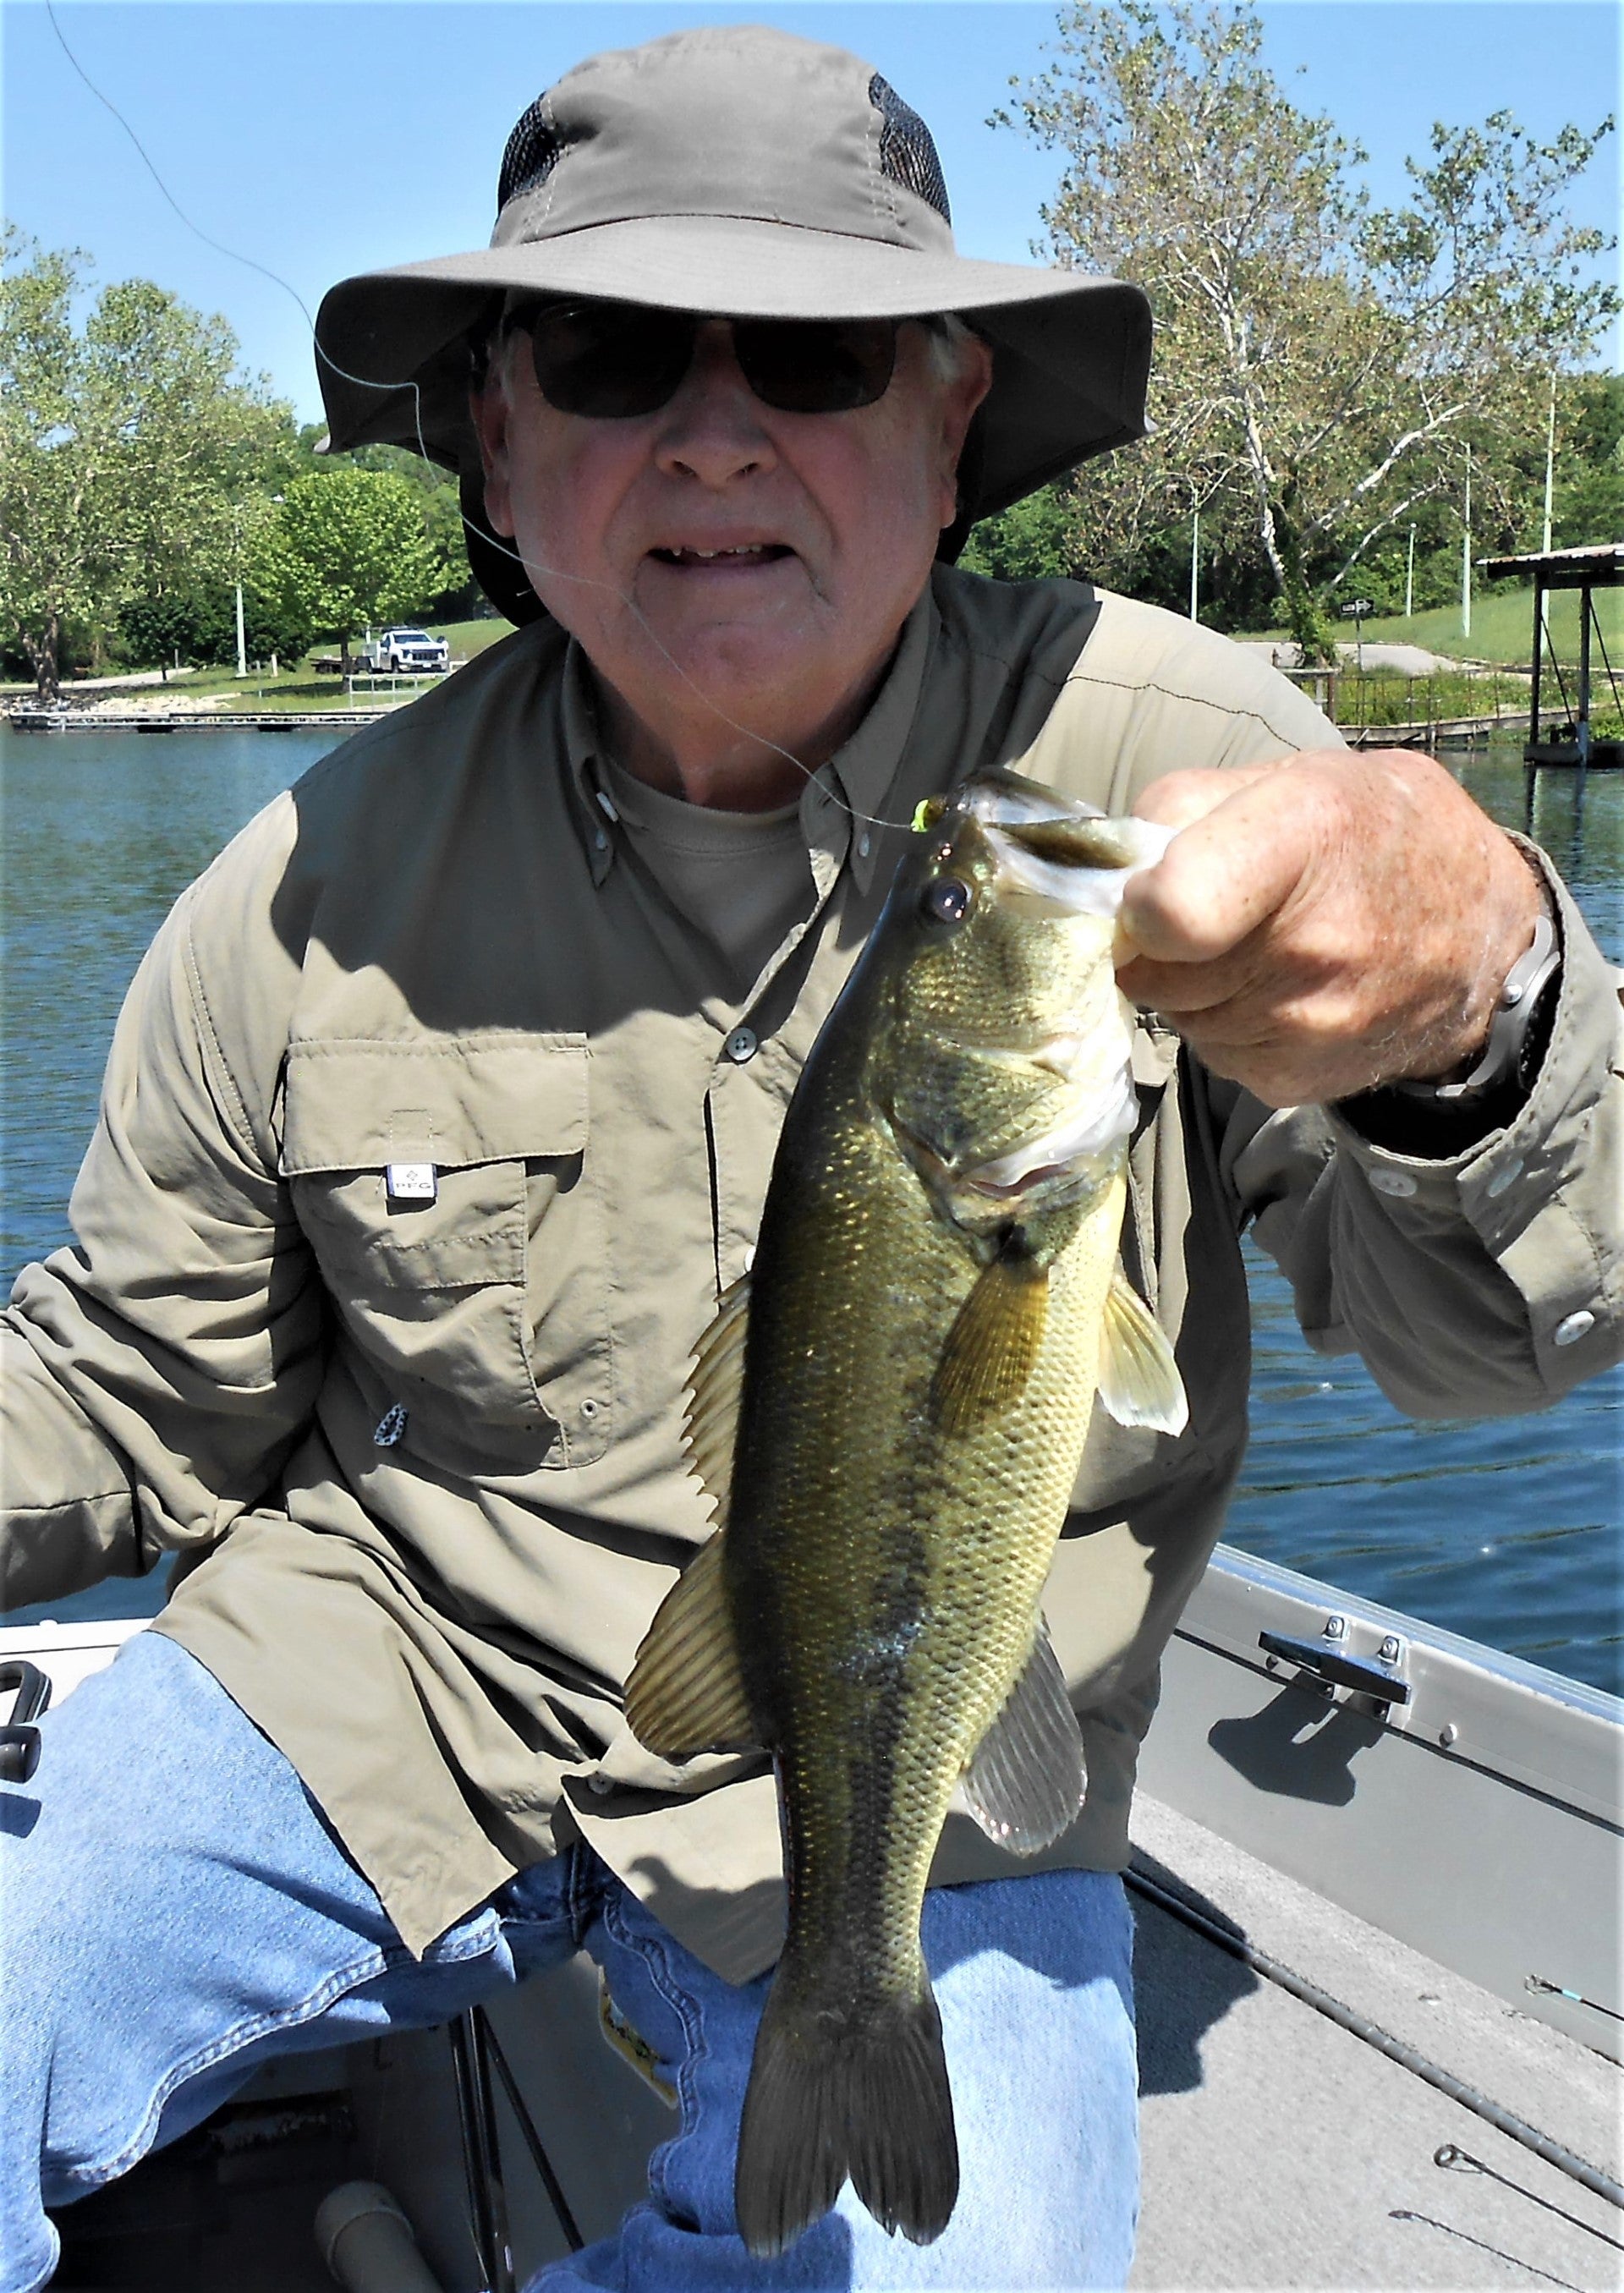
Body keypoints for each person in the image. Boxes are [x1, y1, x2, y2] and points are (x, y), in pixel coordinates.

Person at [2, 25, 1619, 2292]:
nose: (717, 428)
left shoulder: (1183, 782)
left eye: (823, 357)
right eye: (611, 348)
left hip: (930, 1771)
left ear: (954, 415)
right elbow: (127, 1391)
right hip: (401, 1687)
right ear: (495, 427)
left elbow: (1492, 1347)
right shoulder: (295, 885)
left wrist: (1492, 1005)